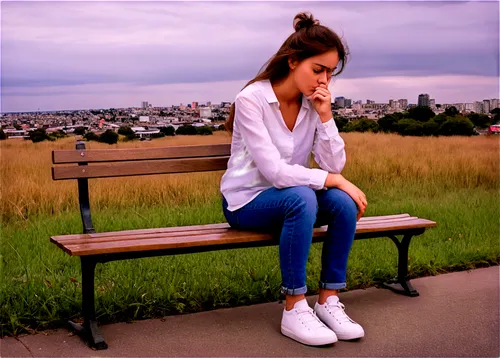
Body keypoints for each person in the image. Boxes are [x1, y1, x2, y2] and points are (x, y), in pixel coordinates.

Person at [220, 12, 367, 346]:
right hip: (247, 202)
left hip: (294, 199)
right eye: (318, 70)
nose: (324, 81)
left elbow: (334, 163)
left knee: (343, 205)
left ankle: (328, 300)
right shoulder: (251, 100)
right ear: (292, 61)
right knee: (303, 197)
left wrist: (325, 116)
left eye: (330, 72)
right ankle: (294, 307)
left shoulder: (312, 104)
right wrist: (334, 180)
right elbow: (275, 173)